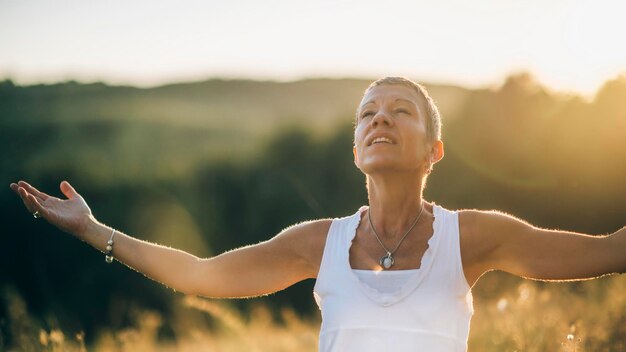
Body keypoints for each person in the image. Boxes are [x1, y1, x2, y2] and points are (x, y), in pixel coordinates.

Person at [10, 76, 626, 352]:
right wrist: (94, 231)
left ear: (434, 151)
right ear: (356, 147)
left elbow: (608, 251)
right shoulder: (317, 244)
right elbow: (200, 273)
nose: (380, 117)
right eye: (367, 113)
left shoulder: (474, 237)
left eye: (400, 110)